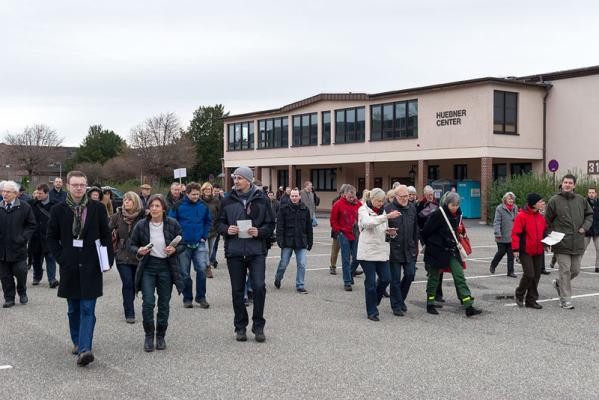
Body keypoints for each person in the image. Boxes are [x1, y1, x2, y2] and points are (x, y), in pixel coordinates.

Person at [46, 171, 114, 366]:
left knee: (87, 308)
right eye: (75, 184)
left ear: (86, 186)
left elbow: (106, 236)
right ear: (68, 185)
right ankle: (77, 341)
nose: (78, 188)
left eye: (82, 185)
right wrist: (61, 258)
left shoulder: (98, 208)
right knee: (73, 309)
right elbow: (51, 237)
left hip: (91, 264)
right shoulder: (58, 209)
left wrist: (106, 260)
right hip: (69, 266)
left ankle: (85, 349)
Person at [217, 166, 275, 342]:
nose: (236, 181)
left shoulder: (262, 199)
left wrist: (260, 231)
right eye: (235, 178)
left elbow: (270, 224)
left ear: (248, 181)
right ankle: (240, 326)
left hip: (256, 251)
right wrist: (228, 229)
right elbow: (218, 223)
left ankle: (258, 326)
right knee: (237, 291)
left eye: (239, 178)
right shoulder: (227, 199)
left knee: (258, 287)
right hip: (234, 252)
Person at [130, 195, 184, 352]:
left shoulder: (172, 224)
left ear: (164, 209)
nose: (154, 208)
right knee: (147, 302)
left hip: (166, 267)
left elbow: (183, 244)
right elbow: (132, 245)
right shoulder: (141, 225)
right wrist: (139, 250)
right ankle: (148, 335)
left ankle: (160, 336)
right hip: (148, 266)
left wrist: (174, 249)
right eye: (151, 206)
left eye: (157, 206)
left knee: (164, 304)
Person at [421, 192, 482, 317]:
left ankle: (468, 306)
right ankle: (430, 303)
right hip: (437, 251)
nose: (455, 207)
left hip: (451, 250)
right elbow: (425, 232)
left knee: (459, 276)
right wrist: (435, 243)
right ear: (446, 203)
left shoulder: (457, 214)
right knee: (434, 277)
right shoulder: (438, 214)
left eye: (457, 204)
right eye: (452, 205)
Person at [545, 174, 593, 309]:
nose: (567, 184)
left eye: (570, 183)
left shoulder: (581, 200)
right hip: (561, 242)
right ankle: (565, 299)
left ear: (574, 185)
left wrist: (585, 227)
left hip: (577, 241)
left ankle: (559, 283)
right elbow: (547, 221)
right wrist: (550, 237)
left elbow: (589, 215)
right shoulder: (554, 200)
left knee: (576, 270)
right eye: (565, 182)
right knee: (565, 270)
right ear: (562, 183)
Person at [356, 188, 401, 320]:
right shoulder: (363, 210)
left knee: (386, 278)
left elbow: (381, 229)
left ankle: (373, 300)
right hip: (367, 252)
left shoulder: (383, 211)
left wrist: (390, 232)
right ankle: (372, 311)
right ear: (371, 199)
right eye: (378, 201)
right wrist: (386, 217)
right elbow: (367, 223)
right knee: (370, 282)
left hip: (381, 251)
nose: (380, 203)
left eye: (382, 201)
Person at [168, 182, 212, 309]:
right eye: (193, 194)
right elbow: (171, 223)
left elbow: (208, 222)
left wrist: (204, 236)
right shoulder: (178, 206)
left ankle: (201, 297)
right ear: (186, 193)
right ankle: (187, 298)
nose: (196, 196)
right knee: (184, 273)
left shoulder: (203, 205)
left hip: (199, 243)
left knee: (202, 271)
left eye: (198, 194)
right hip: (183, 245)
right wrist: (177, 239)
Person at [109, 191, 145, 323]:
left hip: (138, 255)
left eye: (129, 200)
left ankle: (130, 301)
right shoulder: (117, 216)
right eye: (125, 200)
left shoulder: (143, 217)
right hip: (122, 256)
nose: (126, 202)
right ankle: (129, 312)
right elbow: (106, 233)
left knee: (135, 283)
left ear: (136, 202)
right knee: (128, 283)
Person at [0, 181, 37, 308]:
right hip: (2, 250)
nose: (4, 194)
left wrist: (23, 238)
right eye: (3, 191)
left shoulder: (25, 207)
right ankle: (9, 298)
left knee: (21, 272)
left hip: (18, 248)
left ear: (15, 193)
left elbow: (31, 225)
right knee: (5, 276)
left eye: (7, 192)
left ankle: (22, 291)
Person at [384, 185, 418, 315]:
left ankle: (400, 299)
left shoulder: (412, 208)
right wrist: (388, 234)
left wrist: (416, 245)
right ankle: (396, 306)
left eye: (407, 196)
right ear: (396, 196)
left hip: (409, 248)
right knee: (395, 280)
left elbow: (415, 229)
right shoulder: (388, 209)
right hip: (394, 249)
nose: (405, 199)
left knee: (410, 274)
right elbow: (382, 230)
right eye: (402, 197)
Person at [274, 188, 313, 293]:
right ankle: (278, 278)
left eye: (296, 196)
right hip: (287, 241)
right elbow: (280, 227)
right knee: (283, 263)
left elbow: (309, 227)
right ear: (289, 196)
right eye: (292, 196)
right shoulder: (283, 209)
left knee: (302, 264)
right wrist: (280, 240)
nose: (294, 198)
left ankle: (300, 285)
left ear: (299, 197)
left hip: (301, 241)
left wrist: (310, 242)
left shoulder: (305, 209)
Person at [512, 193, 547, 309]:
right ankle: (519, 293)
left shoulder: (540, 217)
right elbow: (515, 233)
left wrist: (547, 243)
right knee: (529, 274)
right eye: (541, 202)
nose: (543, 204)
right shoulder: (521, 216)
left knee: (536, 276)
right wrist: (515, 249)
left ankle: (531, 300)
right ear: (534, 203)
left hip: (538, 250)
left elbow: (544, 232)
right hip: (525, 250)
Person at [330, 184, 362, 291]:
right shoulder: (338, 204)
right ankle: (347, 282)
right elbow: (333, 220)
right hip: (343, 234)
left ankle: (351, 273)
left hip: (355, 234)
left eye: (353, 197)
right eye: (349, 197)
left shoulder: (358, 204)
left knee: (357, 257)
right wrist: (338, 231)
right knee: (345, 258)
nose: (352, 199)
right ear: (344, 195)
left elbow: (365, 215)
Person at [28, 183, 59, 288]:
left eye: (40, 193)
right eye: (37, 193)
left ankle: (52, 279)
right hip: (35, 237)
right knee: (36, 259)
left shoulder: (55, 205)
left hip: (49, 237)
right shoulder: (31, 204)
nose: (38, 195)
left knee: (50, 258)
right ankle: (37, 277)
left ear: (46, 193)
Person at [417, 185, 443, 302]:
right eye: (428, 195)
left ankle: (439, 293)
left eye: (432, 194)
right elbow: (418, 221)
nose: (430, 197)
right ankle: (432, 292)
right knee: (431, 265)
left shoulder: (438, 205)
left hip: (437, 237)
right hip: (425, 236)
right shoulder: (420, 205)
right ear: (424, 194)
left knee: (439, 267)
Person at [490, 192, 518, 277]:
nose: (511, 200)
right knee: (501, 252)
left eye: (512, 199)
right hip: (501, 236)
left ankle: (510, 272)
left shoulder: (515, 208)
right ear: (505, 199)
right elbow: (497, 222)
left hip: (511, 236)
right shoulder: (500, 208)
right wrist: (497, 233)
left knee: (511, 255)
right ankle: (493, 265)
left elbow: (517, 220)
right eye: (509, 199)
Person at [200, 182, 221, 278]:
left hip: (213, 229)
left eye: (209, 189)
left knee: (211, 250)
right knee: (205, 250)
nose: (208, 191)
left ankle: (205, 265)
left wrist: (218, 226)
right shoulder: (199, 201)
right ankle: (208, 267)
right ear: (203, 191)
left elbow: (220, 213)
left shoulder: (216, 201)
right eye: (206, 189)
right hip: (202, 230)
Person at [328, 185, 347, 275]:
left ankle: (351, 268)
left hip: (348, 230)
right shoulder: (336, 201)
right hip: (338, 229)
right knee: (335, 249)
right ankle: (333, 266)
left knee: (350, 251)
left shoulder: (351, 201)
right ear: (342, 193)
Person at [584, 187, 599, 273]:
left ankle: (597, 267)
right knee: (581, 249)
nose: (591, 194)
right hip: (586, 230)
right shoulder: (584, 203)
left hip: (597, 230)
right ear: (587, 194)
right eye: (589, 192)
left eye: (593, 192)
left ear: (596, 193)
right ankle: (576, 265)